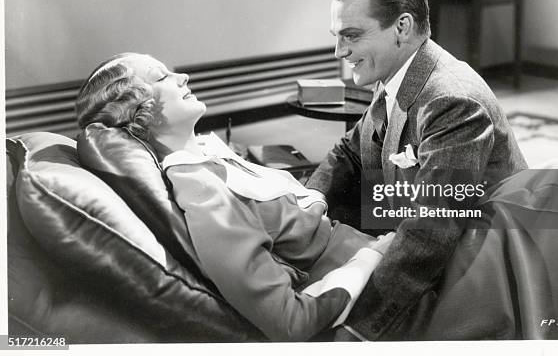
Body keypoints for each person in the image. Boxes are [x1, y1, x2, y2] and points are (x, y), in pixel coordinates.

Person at [74, 52, 395, 342]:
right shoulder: (201, 191)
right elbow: (289, 321)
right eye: (161, 77)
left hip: (360, 242)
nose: (181, 77)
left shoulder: (203, 153)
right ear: (137, 111)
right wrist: (374, 255)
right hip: (372, 277)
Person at [305, 0, 529, 340]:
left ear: (402, 27)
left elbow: (431, 232)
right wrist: (302, 210)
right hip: (432, 242)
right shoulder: (397, 71)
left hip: (482, 268)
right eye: (336, 36)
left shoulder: (453, 100)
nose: (338, 53)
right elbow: (350, 153)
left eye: (351, 36)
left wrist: (360, 330)